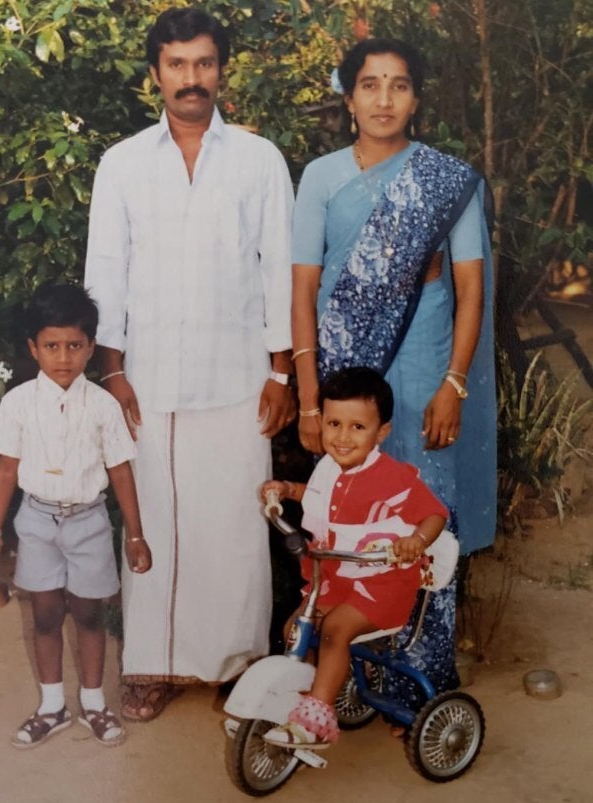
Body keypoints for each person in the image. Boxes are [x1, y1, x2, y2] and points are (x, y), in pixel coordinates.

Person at [84, 7, 294, 721]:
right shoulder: (122, 164)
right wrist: (109, 371)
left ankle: (236, 664)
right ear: (155, 75)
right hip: (148, 379)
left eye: (204, 63)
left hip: (239, 378)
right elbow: (105, 274)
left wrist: (282, 372)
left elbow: (278, 274)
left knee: (236, 524)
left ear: (221, 70)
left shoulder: (259, 160)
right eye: (177, 65)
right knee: (155, 520)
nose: (191, 78)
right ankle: (151, 665)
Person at [290, 38, 496, 708]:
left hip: (426, 362)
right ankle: (353, 663)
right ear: (349, 99)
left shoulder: (445, 181)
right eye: (370, 85)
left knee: (424, 506)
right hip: (346, 369)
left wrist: (454, 383)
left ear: (416, 97)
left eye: (399, 85)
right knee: (347, 506)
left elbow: (471, 289)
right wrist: (310, 398)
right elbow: (303, 291)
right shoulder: (320, 176)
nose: (385, 99)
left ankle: (427, 675)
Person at [0, 284, 152, 749]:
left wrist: (135, 534)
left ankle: (93, 702)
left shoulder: (102, 406)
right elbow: (7, 469)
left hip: (89, 521)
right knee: (46, 615)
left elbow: (120, 468)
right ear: (34, 347)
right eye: (51, 346)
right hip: (36, 521)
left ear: (91, 347)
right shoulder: (17, 403)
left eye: (74, 346)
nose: (63, 357)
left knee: (90, 615)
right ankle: (51, 706)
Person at [260, 367, 447, 748]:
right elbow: (314, 496)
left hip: (382, 586)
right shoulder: (327, 469)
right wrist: (286, 489)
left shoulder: (394, 478)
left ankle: (315, 717)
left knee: (333, 631)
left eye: (357, 428)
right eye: (333, 424)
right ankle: (300, 700)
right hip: (334, 579)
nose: (342, 437)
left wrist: (416, 539)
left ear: (381, 433)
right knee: (295, 631)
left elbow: (435, 513)